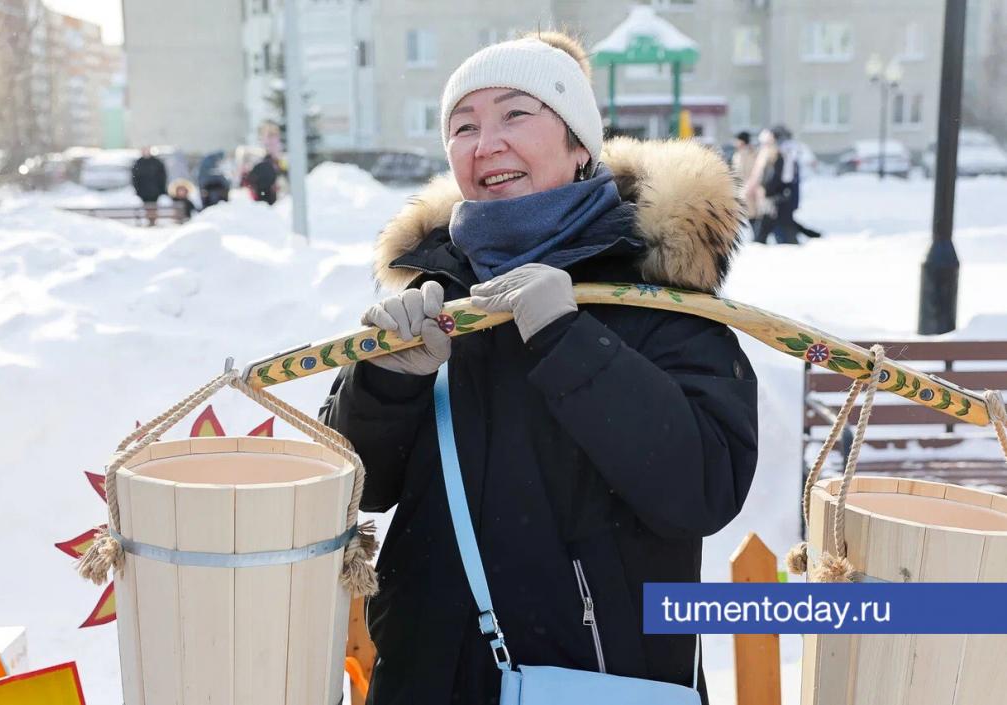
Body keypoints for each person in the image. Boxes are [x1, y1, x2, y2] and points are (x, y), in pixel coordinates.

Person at [319, 31, 758, 705]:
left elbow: (703, 485)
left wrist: (569, 341)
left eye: (514, 114)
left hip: (601, 682)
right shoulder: (435, 291)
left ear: (580, 143)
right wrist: (384, 381)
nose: (485, 142)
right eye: (463, 126)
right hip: (429, 682)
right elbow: (352, 487)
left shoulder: (657, 290)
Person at [771, 125, 822, 240]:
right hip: (792, 188)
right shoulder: (794, 147)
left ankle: (792, 240)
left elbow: (787, 174)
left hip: (786, 189)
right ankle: (807, 236)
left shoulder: (787, 149)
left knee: (784, 218)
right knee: (786, 218)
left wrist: (781, 188)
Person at [749, 129, 798, 245]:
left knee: (770, 221)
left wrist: (766, 190)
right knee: (773, 221)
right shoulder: (771, 153)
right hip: (774, 192)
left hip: (774, 193)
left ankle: (761, 241)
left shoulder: (776, 154)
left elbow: (774, 176)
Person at [730, 131, 759, 233]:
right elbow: (736, 174)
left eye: (737, 141)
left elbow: (756, 172)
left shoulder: (753, 154)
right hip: (742, 190)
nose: (735, 143)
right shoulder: (737, 155)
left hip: (752, 190)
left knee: (754, 216)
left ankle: (758, 238)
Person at [131, 147, 167, 226]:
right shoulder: (138, 163)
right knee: (147, 206)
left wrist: (161, 188)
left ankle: (153, 220)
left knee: (154, 206)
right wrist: (137, 189)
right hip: (143, 191)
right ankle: (149, 220)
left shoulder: (157, 162)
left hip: (155, 190)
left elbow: (162, 176)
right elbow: (135, 177)